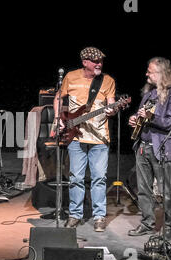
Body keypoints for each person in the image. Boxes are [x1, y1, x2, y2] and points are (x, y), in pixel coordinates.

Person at [51, 47, 117, 232]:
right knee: (76, 177)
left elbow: (111, 104)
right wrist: (58, 119)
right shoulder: (71, 77)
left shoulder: (108, 80)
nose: (99, 64)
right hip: (75, 136)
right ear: (85, 62)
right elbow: (58, 98)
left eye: (101, 61)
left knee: (99, 178)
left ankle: (99, 216)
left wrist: (113, 109)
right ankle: (75, 214)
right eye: (95, 61)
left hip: (99, 136)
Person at [127, 57, 171, 241]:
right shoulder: (148, 94)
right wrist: (135, 119)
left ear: (161, 74)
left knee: (166, 190)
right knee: (143, 189)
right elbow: (142, 115)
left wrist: (151, 117)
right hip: (143, 147)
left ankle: (170, 227)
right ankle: (146, 223)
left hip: (162, 148)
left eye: (150, 71)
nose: (146, 74)